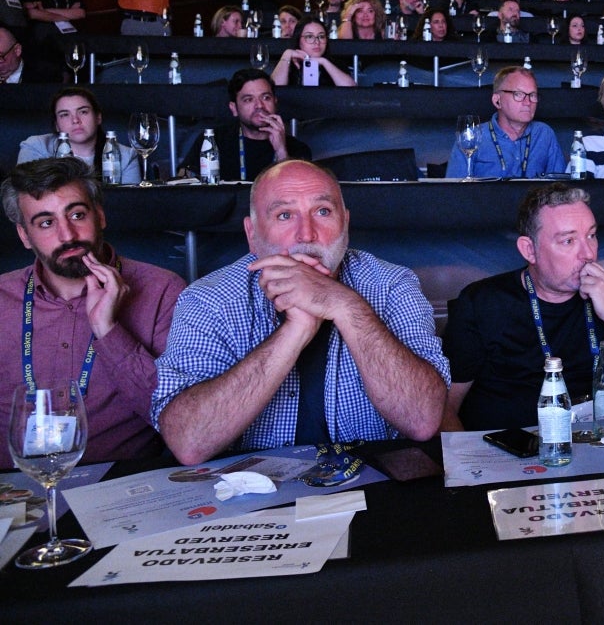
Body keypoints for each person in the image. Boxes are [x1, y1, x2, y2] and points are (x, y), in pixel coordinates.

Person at [153, 161, 450, 464]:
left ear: (344, 224)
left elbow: (422, 421)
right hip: (252, 498)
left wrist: (345, 305)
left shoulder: (391, 285)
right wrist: (296, 329)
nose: (306, 234)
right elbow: (188, 442)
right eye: (284, 215)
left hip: (371, 489)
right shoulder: (208, 299)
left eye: (323, 211)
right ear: (252, 234)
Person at [440, 184, 604, 430]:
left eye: (591, 235)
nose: (587, 254)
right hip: (512, 455)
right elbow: (444, 407)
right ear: (529, 250)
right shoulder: (483, 303)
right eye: (568, 240)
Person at [0, 158, 185, 466]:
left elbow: (179, 417)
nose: (68, 235)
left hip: (123, 485)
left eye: (77, 214)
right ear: (24, 235)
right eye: (46, 223)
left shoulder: (162, 290)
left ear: (99, 216)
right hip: (16, 489)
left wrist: (109, 331)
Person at [182, 69, 311, 181]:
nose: (259, 105)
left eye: (266, 97)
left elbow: (302, 195)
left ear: (275, 102)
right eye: (248, 100)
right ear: (234, 108)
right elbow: (184, 183)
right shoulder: (211, 141)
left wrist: (281, 152)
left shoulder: (297, 149)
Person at [448, 67, 566, 178]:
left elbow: (561, 190)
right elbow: (454, 191)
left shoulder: (544, 134)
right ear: (497, 100)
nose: (528, 102)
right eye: (518, 94)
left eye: (532, 95)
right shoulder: (471, 136)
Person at [17, 88, 140, 183]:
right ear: (56, 125)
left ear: (98, 117)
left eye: (83, 112)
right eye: (64, 114)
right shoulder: (36, 147)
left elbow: (129, 204)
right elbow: (24, 197)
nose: (75, 120)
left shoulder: (126, 156)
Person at [271, 20, 356, 87]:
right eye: (309, 37)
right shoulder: (287, 64)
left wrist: (324, 62)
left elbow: (351, 91)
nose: (317, 42)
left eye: (321, 36)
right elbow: (274, 90)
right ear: (298, 40)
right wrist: (287, 54)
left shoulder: (336, 64)